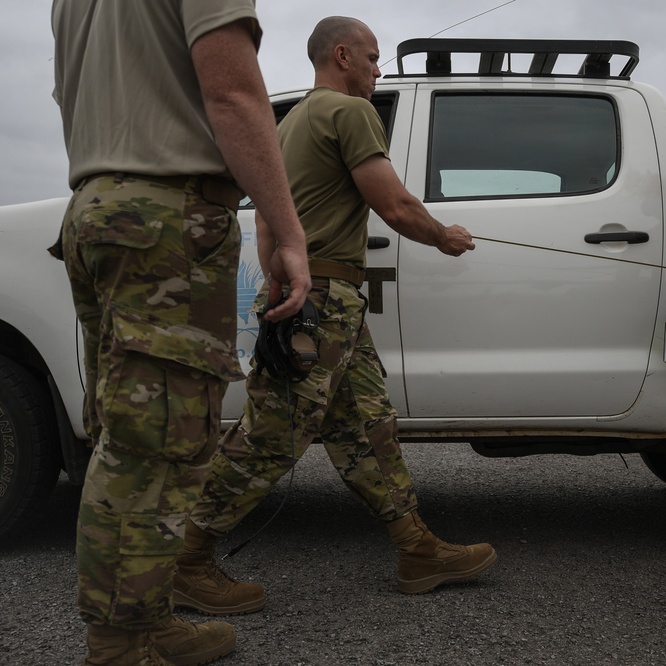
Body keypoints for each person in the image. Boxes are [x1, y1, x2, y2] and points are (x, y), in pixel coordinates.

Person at [172, 16, 496, 617]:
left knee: (367, 426)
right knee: (274, 434)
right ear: (341, 56)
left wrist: (278, 281)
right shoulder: (351, 112)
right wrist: (443, 237)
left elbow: (267, 218)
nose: (378, 71)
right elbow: (394, 204)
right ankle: (184, 561)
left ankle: (417, 550)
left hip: (314, 297)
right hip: (325, 299)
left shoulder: (289, 123)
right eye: (372, 58)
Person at [50, 1, 311, 664]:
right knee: (156, 441)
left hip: (95, 207)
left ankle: (148, 618)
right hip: (165, 217)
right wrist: (286, 230)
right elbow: (231, 91)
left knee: (128, 430)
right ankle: (120, 647)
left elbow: (72, 93)